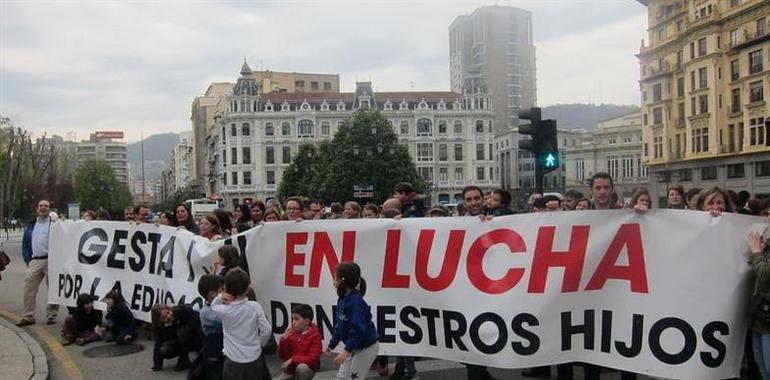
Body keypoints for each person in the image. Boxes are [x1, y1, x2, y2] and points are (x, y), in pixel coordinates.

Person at [211, 268, 272, 380]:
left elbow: (213, 306)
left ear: (226, 289)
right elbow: (267, 330)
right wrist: (259, 343)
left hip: (233, 360)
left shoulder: (224, 311)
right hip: (254, 358)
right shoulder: (254, 306)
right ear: (247, 288)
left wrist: (220, 297)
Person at [324, 262, 380, 380]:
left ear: (341, 281)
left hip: (366, 347)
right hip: (352, 346)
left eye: (335, 277)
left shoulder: (355, 302)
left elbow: (359, 330)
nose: (333, 281)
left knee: (354, 378)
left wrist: (345, 351)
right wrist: (331, 345)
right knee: (342, 377)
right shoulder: (342, 300)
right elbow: (339, 326)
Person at [18, 199, 60, 326]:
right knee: (29, 288)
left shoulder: (54, 223)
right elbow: (25, 242)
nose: (43, 208)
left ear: (50, 208)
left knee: (52, 289)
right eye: (41, 206)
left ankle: (51, 315)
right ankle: (28, 315)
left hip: (50, 259)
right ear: (37, 208)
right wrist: (28, 260)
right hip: (35, 259)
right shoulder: (32, 224)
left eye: (46, 206)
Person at [151, 303, 203, 371]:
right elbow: (158, 343)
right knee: (164, 350)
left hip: (196, 335)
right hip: (180, 340)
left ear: (170, 309)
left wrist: (184, 330)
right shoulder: (159, 327)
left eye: (168, 312)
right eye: (164, 317)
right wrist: (157, 365)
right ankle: (185, 361)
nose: (169, 316)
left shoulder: (182, 311)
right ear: (159, 320)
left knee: (182, 334)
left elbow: (196, 320)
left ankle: (198, 359)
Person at [277, 304, 322, 380]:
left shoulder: (315, 336)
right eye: (292, 319)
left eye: (296, 319)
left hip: (308, 368)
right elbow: (283, 357)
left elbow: (313, 359)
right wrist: (284, 341)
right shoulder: (291, 333)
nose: (293, 322)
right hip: (291, 369)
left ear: (307, 321)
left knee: (302, 368)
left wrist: (293, 359)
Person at [747, 229, 770, 380]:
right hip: (761, 317)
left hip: (767, 321)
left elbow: (765, 274)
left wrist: (756, 253)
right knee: (762, 368)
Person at [197, 274, 226, 380]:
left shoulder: (222, 305)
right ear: (212, 294)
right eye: (223, 290)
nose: (226, 292)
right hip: (214, 352)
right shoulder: (206, 312)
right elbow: (227, 320)